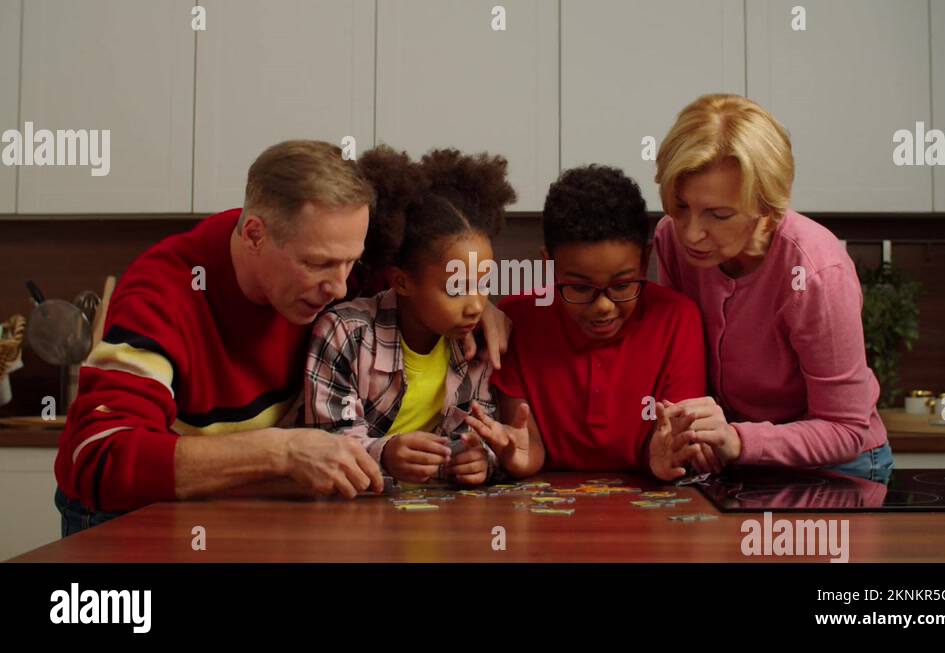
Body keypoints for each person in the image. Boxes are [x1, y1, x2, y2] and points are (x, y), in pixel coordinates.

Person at [54, 140, 512, 535]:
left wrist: (480, 308)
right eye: (318, 265)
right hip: (131, 520)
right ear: (255, 234)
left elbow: (420, 284)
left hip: (244, 508)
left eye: (352, 263)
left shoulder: (337, 266)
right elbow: (99, 457)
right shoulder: (164, 294)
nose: (340, 286)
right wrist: (281, 450)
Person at [651, 94, 894, 483]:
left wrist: (737, 439)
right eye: (681, 207)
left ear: (766, 205)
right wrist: (694, 434)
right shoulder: (671, 238)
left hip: (838, 469)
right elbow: (685, 354)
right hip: (738, 458)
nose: (692, 232)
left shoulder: (816, 270)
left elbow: (847, 430)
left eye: (718, 214)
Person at [467, 164, 708, 479]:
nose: (604, 307)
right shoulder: (518, 319)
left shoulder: (677, 319)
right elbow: (528, 441)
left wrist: (664, 457)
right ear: (549, 265)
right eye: (580, 288)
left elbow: (668, 434)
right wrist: (518, 455)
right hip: (544, 512)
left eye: (622, 285)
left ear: (644, 261)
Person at [300, 146, 517, 486]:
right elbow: (328, 442)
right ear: (401, 281)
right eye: (457, 289)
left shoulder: (476, 343)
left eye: (484, 284)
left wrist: (480, 460)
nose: (477, 305)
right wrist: (385, 454)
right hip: (353, 515)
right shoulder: (346, 333)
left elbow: (479, 432)